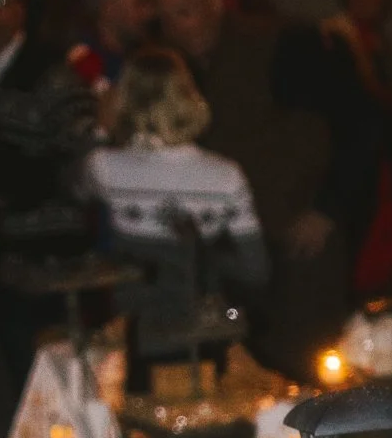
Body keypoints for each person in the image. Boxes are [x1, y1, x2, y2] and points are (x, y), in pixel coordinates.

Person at [154, 0, 340, 376]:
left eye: (185, 12)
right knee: (240, 369)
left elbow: (349, 127)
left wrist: (327, 208)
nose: (178, 28)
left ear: (216, 1)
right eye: (167, 18)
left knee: (305, 362)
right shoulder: (176, 67)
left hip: (295, 236)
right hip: (226, 248)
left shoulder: (282, 43)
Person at [81, 44, 269, 363]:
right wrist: (199, 252)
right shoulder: (226, 175)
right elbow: (256, 271)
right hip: (204, 340)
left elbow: (75, 189)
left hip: (134, 340)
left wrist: (101, 125)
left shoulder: (105, 167)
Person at [317, 0, 392, 300]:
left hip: (385, 161)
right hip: (360, 162)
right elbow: (367, 98)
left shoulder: (376, 39)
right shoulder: (337, 36)